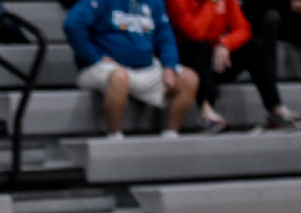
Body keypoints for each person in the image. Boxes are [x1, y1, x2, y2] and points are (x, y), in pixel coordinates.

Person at [63, 0, 200, 139]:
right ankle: (114, 135)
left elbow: (166, 37)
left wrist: (169, 66)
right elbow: (73, 24)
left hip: (145, 67)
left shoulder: (154, 2)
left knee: (189, 78)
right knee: (119, 76)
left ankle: (171, 135)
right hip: (103, 67)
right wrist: (94, 57)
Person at [166, 0, 301, 131]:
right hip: (187, 65)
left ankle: (276, 110)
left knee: (255, 48)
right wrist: (211, 5)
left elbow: (244, 29)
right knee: (199, 47)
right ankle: (206, 113)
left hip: (217, 60)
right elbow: (195, 33)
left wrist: (225, 45)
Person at [243, 0, 301, 81]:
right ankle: (268, 81)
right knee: (271, 18)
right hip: (276, 18)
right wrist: (293, 6)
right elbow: (254, 6)